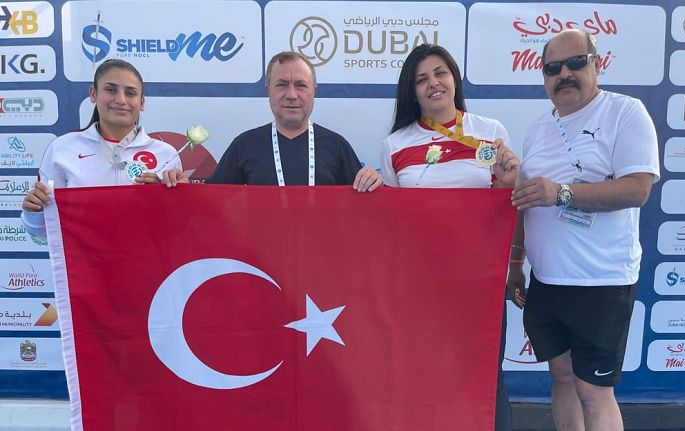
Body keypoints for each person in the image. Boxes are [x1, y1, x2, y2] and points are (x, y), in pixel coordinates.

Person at [508, 29, 659, 431]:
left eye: (575, 63)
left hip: (601, 281)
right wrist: (516, 262)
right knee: (560, 378)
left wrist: (561, 193)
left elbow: (638, 189)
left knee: (594, 391)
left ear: (597, 63)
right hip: (547, 280)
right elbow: (524, 202)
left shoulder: (625, 112)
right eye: (553, 68)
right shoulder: (537, 128)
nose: (564, 74)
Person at [380, 43, 519, 431]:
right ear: (412, 92)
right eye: (421, 79)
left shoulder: (490, 132)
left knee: (486, 380)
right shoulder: (395, 145)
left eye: (440, 73)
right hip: (421, 286)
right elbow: (391, 223)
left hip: (480, 282)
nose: (433, 84)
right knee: (425, 379)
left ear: (454, 79)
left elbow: (505, 205)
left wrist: (509, 181)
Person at [162, 51, 381, 191]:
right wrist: (184, 188)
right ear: (268, 90)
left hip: (319, 250)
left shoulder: (336, 145)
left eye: (301, 85)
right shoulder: (245, 145)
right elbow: (211, 199)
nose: (292, 95)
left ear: (314, 91)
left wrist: (373, 182)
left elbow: (364, 207)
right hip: (260, 253)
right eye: (282, 85)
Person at [21, 59, 180, 238]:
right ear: (93, 93)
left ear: (142, 102)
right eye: (111, 90)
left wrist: (166, 200)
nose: (121, 100)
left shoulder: (166, 154)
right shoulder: (63, 149)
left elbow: (178, 227)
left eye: (130, 93)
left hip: (146, 255)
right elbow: (42, 231)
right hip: (84, 257)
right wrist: (33, 212)